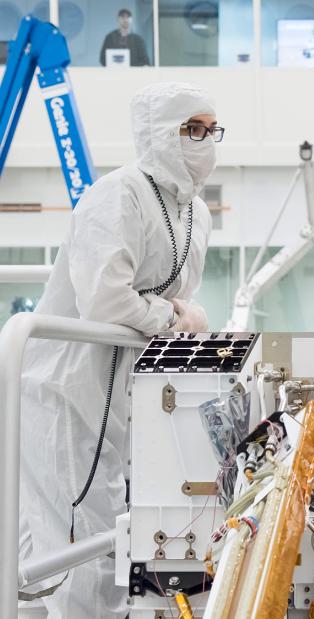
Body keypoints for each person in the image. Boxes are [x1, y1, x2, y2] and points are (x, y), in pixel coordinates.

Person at [18, 82, 217, 617]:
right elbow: (105, 299)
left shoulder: (196, 214)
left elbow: (176, 302)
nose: (204, 141)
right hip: (67, 393)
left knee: (72, 539)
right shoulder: (119, 194)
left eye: (210, 130)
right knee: (82, 537)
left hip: (120, 397)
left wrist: (177, 318)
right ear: (159, 133)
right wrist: (176, 319)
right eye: (191, 130)